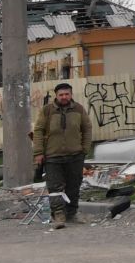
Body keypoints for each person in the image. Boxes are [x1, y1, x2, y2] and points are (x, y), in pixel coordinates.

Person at [32, 81, 93, 227]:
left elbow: (87, 129)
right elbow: (38, 131)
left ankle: (72, 214)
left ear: (71, 95)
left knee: (74, 186)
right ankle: (59, 215)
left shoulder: (79, 109)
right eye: (61, 95)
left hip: (75, 155)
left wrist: (84, 149)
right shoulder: (47, 110)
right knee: (54, 187)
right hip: (52, 156)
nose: (64, 97)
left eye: (67, 94)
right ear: (56, 96)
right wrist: (39, 152)